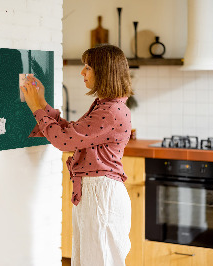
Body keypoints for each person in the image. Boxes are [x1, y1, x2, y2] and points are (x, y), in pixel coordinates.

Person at [21, 44, 133, 266]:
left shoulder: (110, 111)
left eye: (88, 67)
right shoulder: (106, 106)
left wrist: (36, 108)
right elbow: (72, 133)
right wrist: (42, 103)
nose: (82, 72)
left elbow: (64, 141)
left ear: (104, 72)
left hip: (101, 195)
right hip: (96, 193)